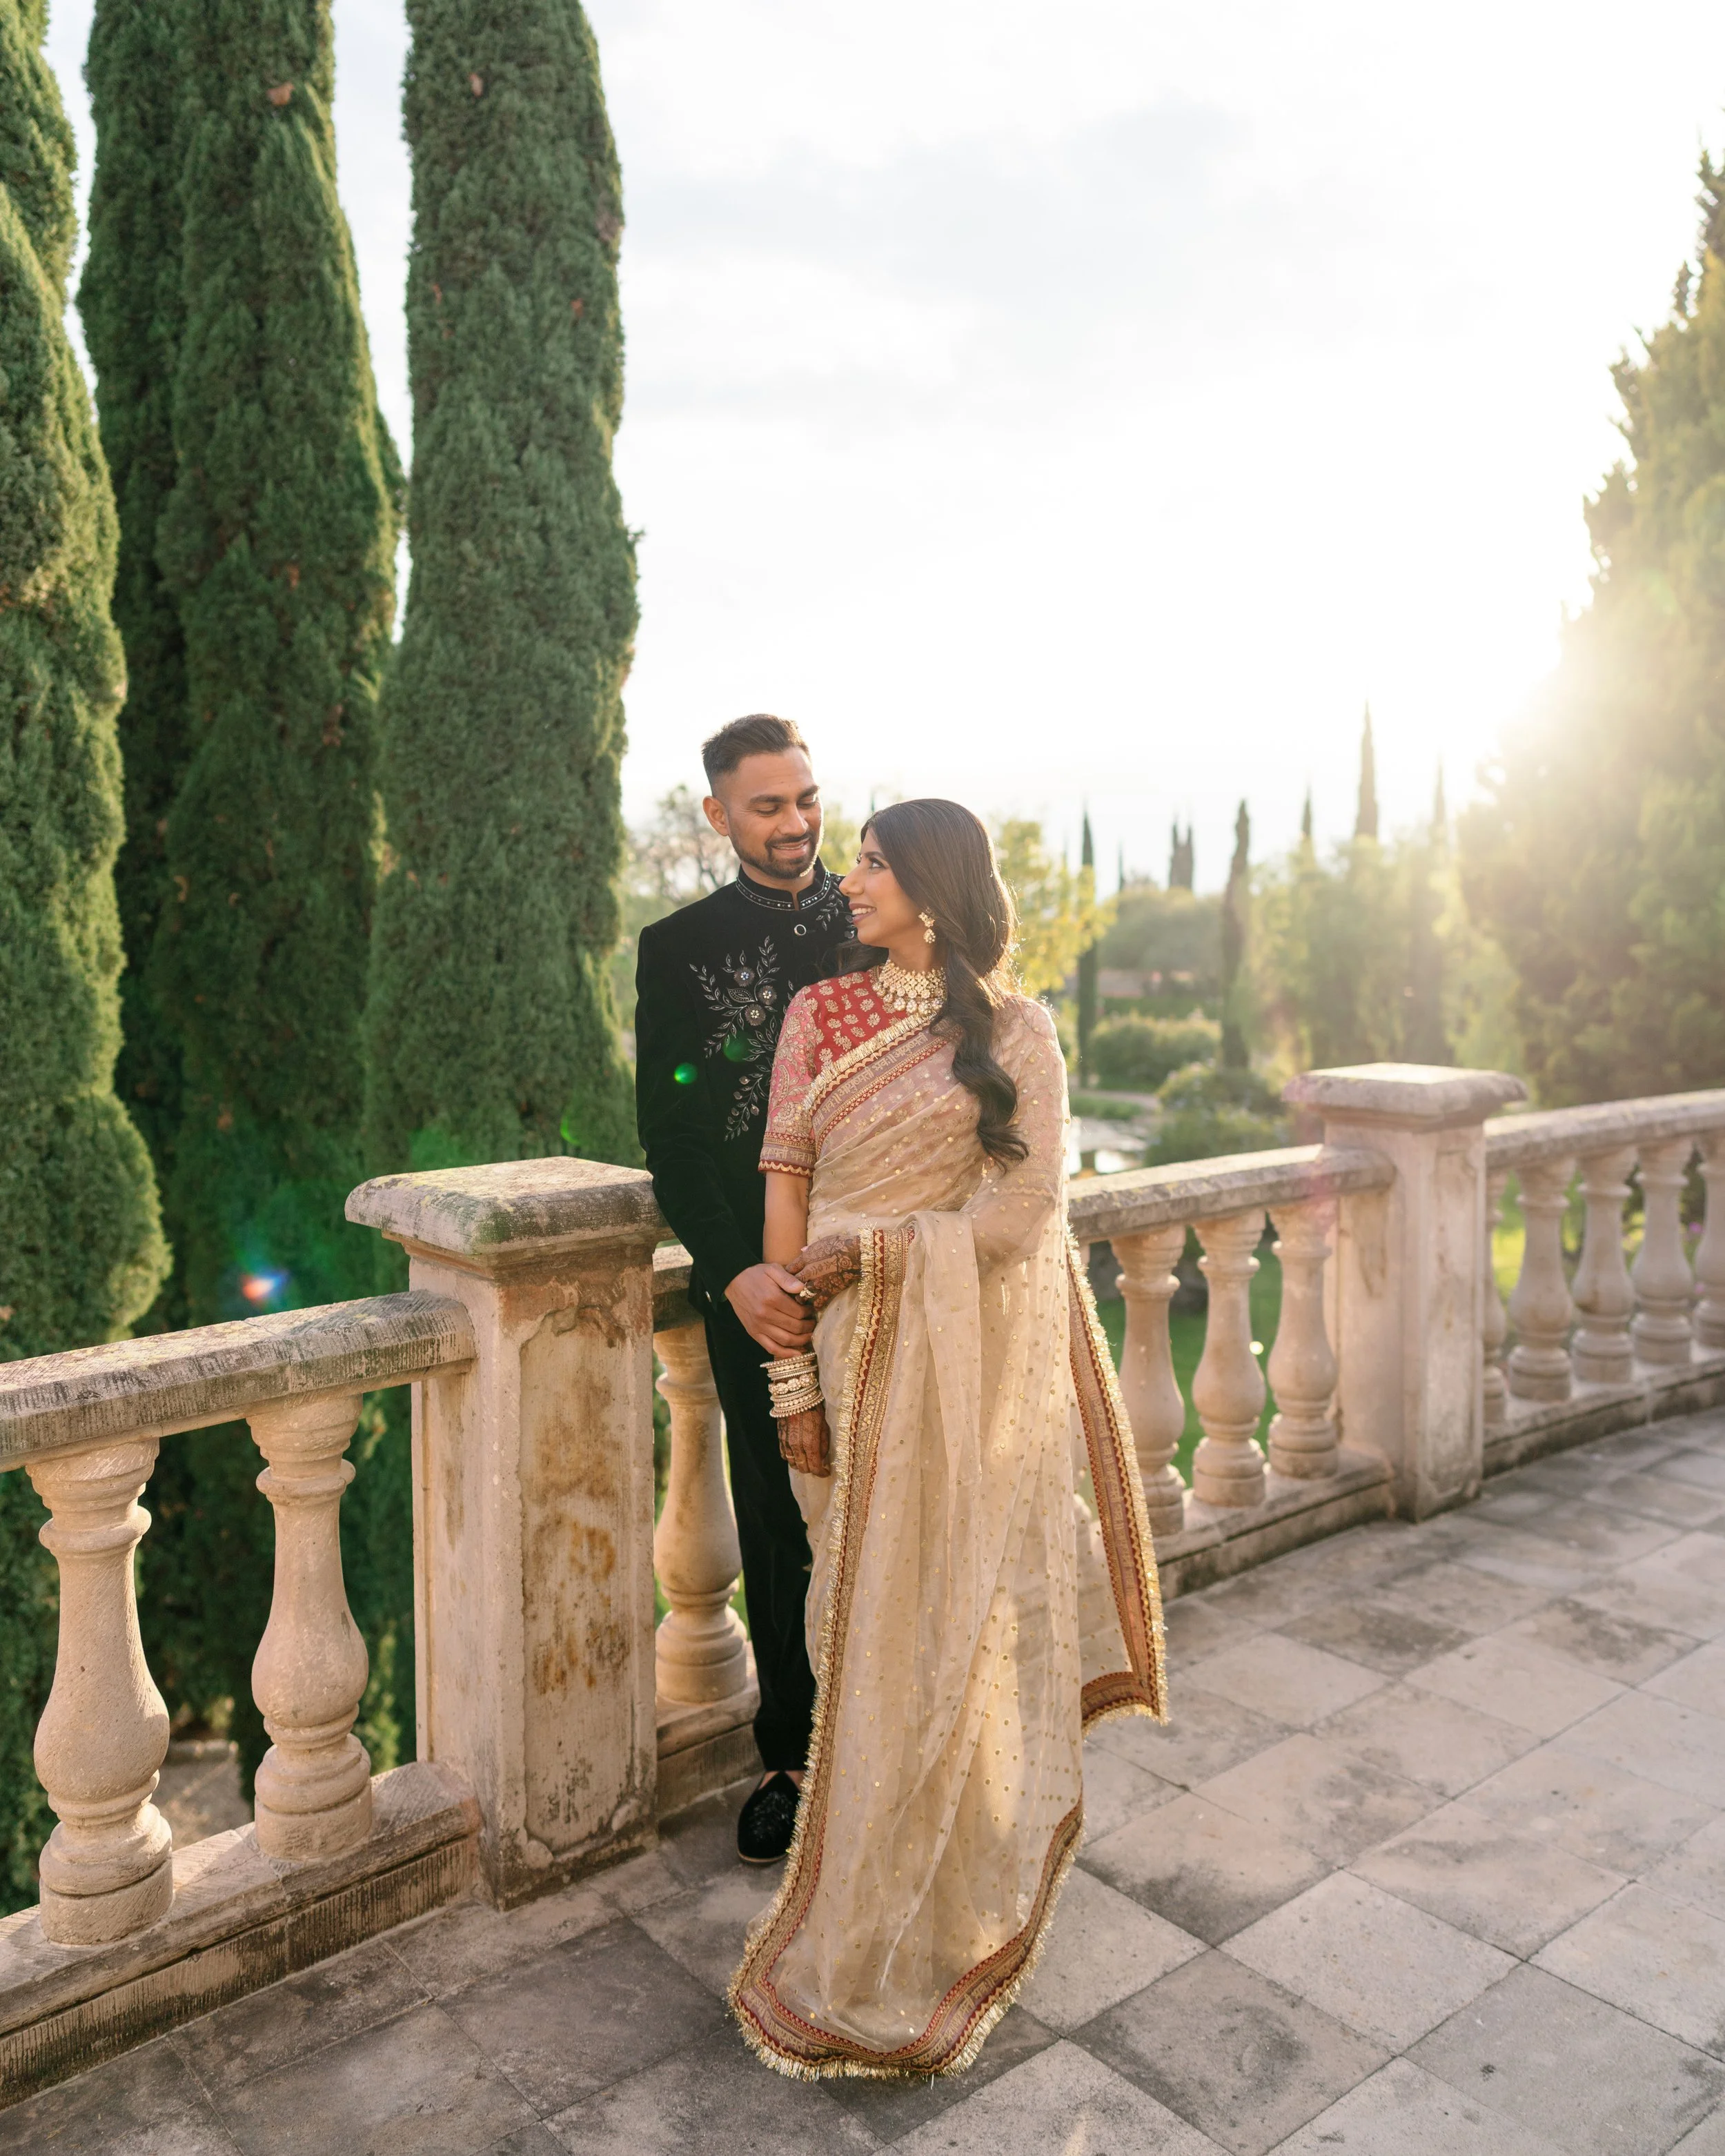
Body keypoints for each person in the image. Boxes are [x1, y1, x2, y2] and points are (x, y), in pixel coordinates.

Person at [730, 798, 1167, 2080]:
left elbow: (1022, 1216)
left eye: (874, 864)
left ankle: (947, 1883)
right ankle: (871, 1887)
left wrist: (873, 1255)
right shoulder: (819, 1014)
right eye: (857, 860)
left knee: (946, 1613)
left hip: (951, 1366)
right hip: (837, 1353)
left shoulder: (1020, 1033)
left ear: (931, 886)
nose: (850, 881)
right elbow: (785, 1195)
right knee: (850, 1620)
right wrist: (788, 1383)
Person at [635, 715, 855, 1863]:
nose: (796, 823)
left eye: (806, 798)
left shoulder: (879, 915)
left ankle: (895, 1734)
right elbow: (674, 1140)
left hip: (884, 1267)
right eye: (767, 805)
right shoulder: (678, 949)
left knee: (896, 1500)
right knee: (774, 1517)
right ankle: (792, 1754)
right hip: (758, 1291)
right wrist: (734, 1276)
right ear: (719, 814)